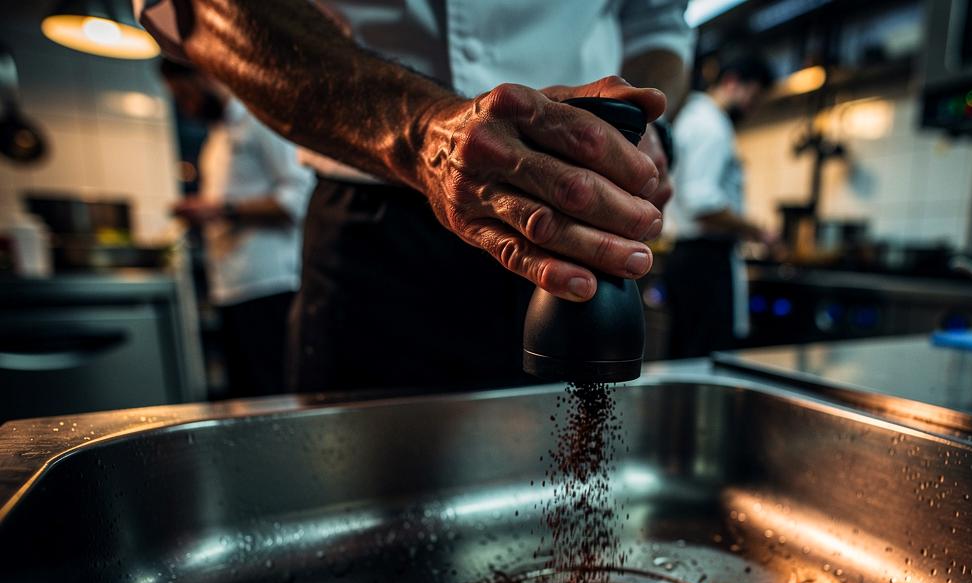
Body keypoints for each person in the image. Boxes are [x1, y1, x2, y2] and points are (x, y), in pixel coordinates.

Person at [134, 0, 691, 393]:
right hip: (370, 225)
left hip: (572, 220)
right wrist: (421, 131)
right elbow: (202, 9)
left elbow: (655, 23)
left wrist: (644, 136)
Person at [161, 59, 315, 397]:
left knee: (276, 394)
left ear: (204, 75)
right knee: (245, 396)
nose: (186, 108)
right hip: (229, 286)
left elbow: (298, 198)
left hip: (271, 283)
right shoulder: (214, 141)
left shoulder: (260, 120)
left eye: (186, 96)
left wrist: (220, 210)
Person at [663, 56, 777, 358]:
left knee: (686, 353)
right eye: (754, 97)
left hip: (689, 258)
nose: (752, 108)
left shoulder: (693, 118)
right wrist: (756, 229)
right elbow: (702, 202)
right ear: (732, 82)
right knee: (706, 356)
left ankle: (683, 407)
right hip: (705, 261)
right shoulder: (712, 127)